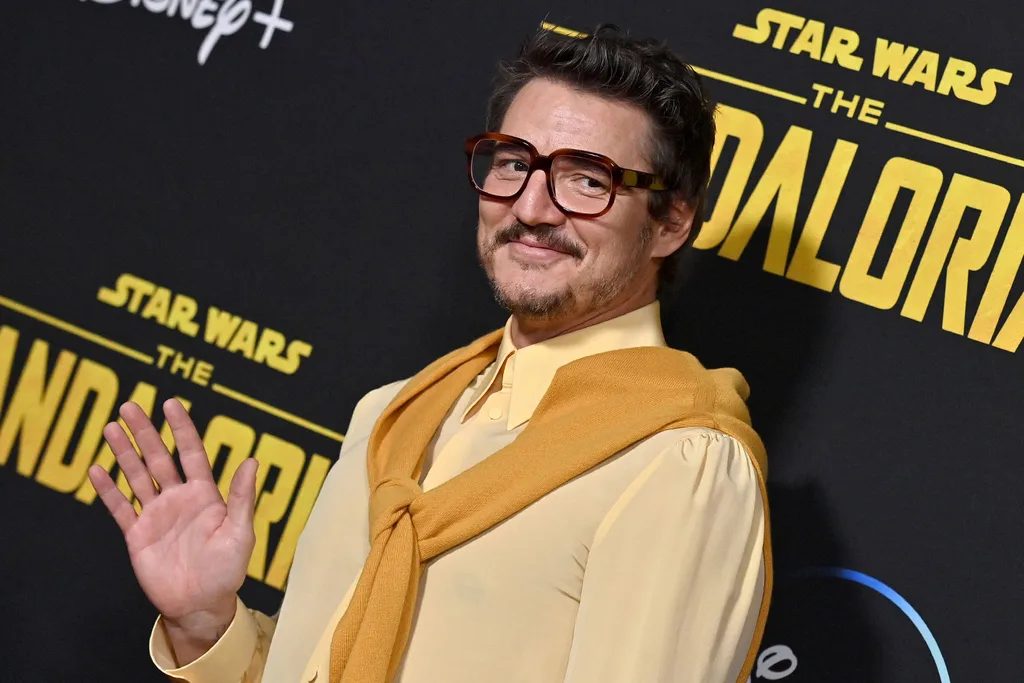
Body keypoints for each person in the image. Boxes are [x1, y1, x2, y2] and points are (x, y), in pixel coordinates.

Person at [89, 24, 771, 683]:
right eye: (512, 163)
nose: (531, 206)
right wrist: (206, 626)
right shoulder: (392, 414)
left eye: (587, 179)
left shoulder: (677, 464)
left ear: (671, 222)